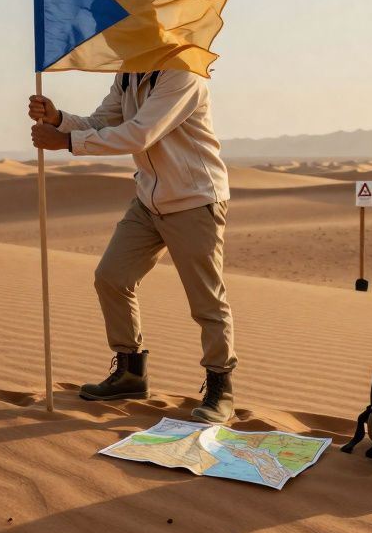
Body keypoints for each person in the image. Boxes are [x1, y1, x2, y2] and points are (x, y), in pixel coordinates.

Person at [28, 70, 235, 423]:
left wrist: (65, 142)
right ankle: (131, 373)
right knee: (112, 277)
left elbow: (139, 134)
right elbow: (100, 122)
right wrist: (59, 118)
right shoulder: (129, 75)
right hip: (148, 200)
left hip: (194, 200)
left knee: (206, 301)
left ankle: (221, 387)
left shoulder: (183, 76)